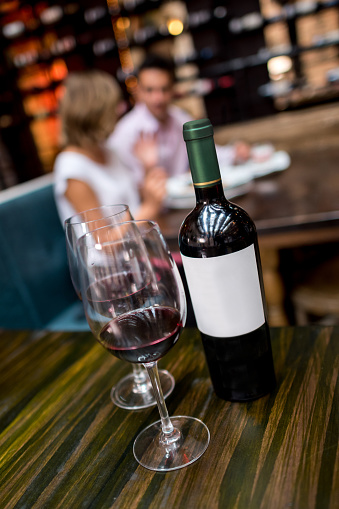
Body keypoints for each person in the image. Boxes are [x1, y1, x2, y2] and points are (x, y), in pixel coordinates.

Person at [108, 54, 252, 185]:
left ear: (173, 89)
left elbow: (203, 154)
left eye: (164, 89)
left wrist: (235, 153)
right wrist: (147, 170)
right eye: (150, 90)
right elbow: (124, 189)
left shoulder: (179, 118)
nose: (158, 98)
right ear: (139, 90)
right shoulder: (124, 134)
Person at [53, 70, 167, 225]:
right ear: (94, 113)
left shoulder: (107, 150)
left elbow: (132, 204)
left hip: (138, 243)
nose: (120, 109)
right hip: (120, 248)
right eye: (113, 106)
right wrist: (150, 207)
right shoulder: (72, 169)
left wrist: (148, 168)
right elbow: (107, 243)